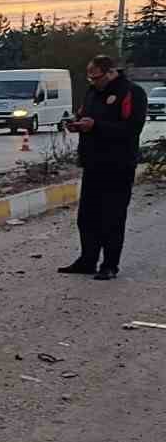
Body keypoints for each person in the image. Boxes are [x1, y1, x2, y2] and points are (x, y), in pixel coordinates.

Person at [58, 56, 147, 280]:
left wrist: (96, 126)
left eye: (96, 77)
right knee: (87, 216)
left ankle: (109, 265)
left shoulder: (131, 92)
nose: (93, 81)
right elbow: (83, 115)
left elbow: (132, 128)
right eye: (90, 77)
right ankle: (87, 260)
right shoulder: (92, 92)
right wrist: (77, 124)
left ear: (110, 72)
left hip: (118, 165)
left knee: (112, 216)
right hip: (92, 163)